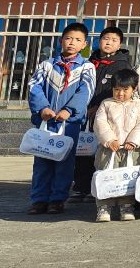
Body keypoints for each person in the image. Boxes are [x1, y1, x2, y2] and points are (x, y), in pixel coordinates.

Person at [26, 22, 96, 215]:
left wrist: (69, 110)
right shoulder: (47, 65)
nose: (72, 42)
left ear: (84, 44)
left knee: (64, 162)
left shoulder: (87, 67)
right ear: (61, 40)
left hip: (69, 124)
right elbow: (34, 87)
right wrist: (43, 108)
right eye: (68, 38)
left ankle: (57, 199)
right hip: (46, 121)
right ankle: (39, 199)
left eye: (78, 40)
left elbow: (86, 91)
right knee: (42, 160)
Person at [72, 26, 132, 202]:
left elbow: (119, 90)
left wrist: (98, 106)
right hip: (84, 113)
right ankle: (80, 187)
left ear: (119, 45)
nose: (109, 43)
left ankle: (96, 188)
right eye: (106, 39)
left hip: (107, 114)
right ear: (99, 41)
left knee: (100, 153)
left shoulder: (122, 65)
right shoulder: (89, 62)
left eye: (114, 40)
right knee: (82, 150)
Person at [92, 68, 140, 222]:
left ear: (133, 89)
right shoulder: (106, 104)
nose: (120, 94)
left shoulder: (139, 105)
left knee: (128, 178)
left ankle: (126, 206)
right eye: (116, 90)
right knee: (106, 176)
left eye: (125, 90)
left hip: (131, 150)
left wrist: (132, 141)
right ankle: (104, 207)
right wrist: (110, 140)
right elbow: (100, 123)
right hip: (108, 149)